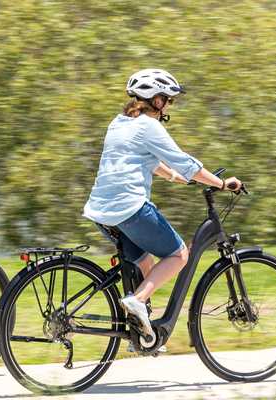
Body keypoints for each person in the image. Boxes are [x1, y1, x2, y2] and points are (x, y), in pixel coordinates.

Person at [82, 68, 241, 348]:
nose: (170, 105)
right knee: (179, 255)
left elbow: (143, 160)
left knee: (144, 262)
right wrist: (221, 183)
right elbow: (187, 163)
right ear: (156, 100)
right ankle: (137, 300)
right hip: (130, 207)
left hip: (101, 210)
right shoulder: (149, 126)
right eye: (169, 99)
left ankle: (140, 334)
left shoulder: (119, 123)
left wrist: (171, 176)